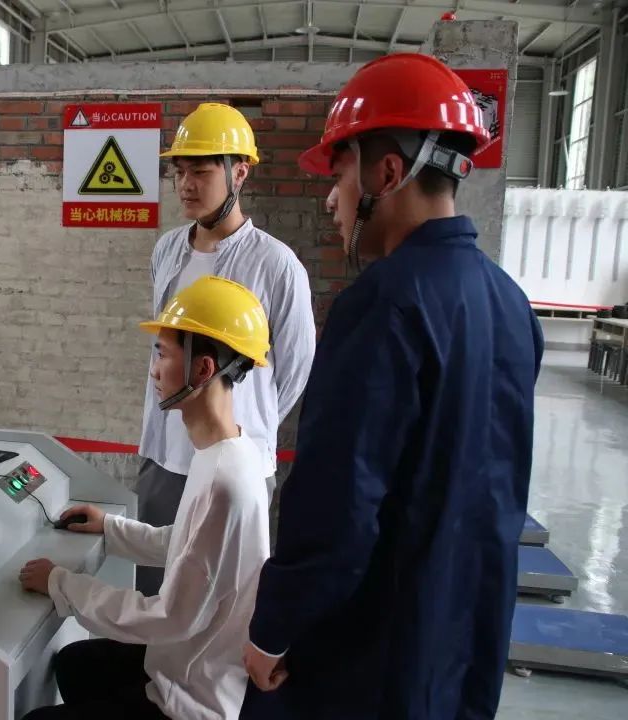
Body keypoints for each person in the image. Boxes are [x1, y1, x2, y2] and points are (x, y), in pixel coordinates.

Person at [240, 53, 544, 720]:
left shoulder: (384, 303)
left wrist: (273, 628)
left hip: (369, 658)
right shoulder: (510, 303)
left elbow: (338, 505)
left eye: (339, 173)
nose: (332, 199)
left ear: (387, 172)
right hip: (461, 644)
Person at [18, 275, 274, 720]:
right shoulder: (231, 451)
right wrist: (111, 528)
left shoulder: (224, 481)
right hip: (189, 662)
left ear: (202, 370)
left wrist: (62, 583)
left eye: (163, 354)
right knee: (75, 664)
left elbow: (169, 617)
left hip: (190, 700)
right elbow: (189, 546)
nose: (154, 371)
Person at [137, 102, 316, 595]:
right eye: (179, 171)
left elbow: (294, 368)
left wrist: (245, 422)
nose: (186, 184)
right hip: (164, 454)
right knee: (155, 586)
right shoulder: (167, 250)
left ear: (240, 172)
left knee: (222, 598)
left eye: (201, 171)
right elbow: (167, 347)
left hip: (237, 462)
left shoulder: (276, 265)